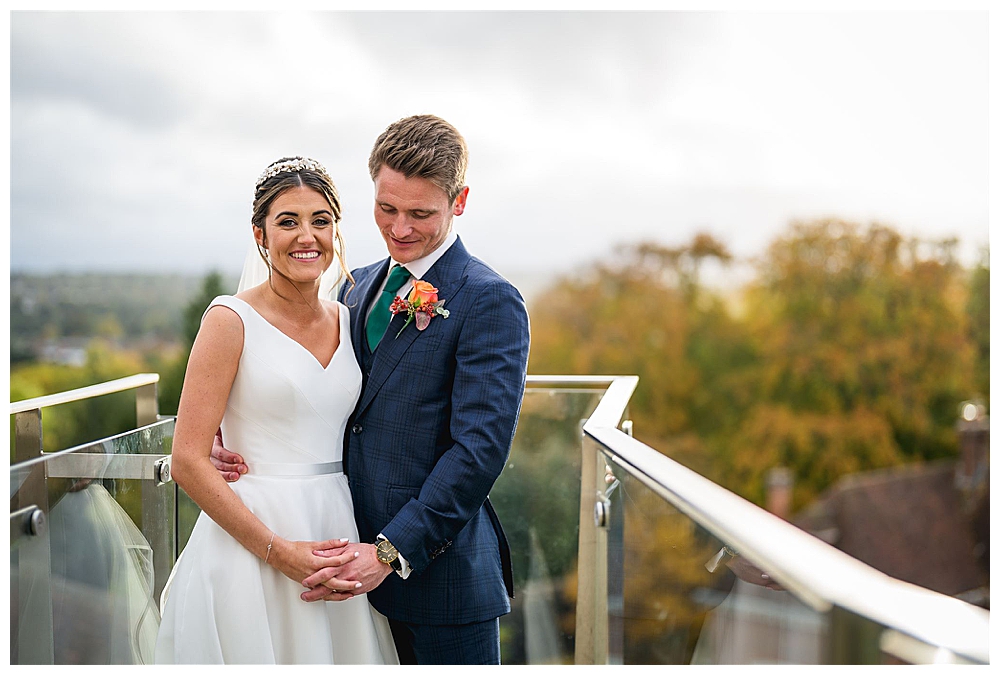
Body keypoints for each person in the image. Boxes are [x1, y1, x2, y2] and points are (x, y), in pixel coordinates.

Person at [212, 115, 531, 664]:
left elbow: (479, 451)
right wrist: (232, 431)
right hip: (342, 576)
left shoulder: (489, 299)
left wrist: (388, 552)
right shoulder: (354, 288)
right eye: (387, 208)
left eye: (420, 214)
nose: (399, 228)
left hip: (440, 583)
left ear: (459, 201)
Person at [155, 157, 397, 664]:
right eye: (288, 221)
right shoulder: (229, 320)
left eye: (320, 220)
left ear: (335, 230)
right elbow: (187, 460)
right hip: (252, 538)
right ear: (260, 234)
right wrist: (277, 550)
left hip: (337, 527)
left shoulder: (349, 317)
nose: (307, 236)